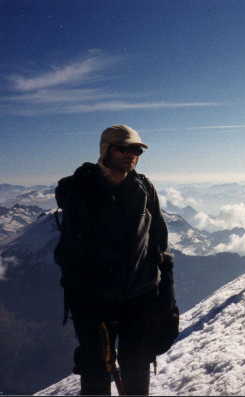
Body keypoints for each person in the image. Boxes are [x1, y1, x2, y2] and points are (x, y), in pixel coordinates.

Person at [54, 125, 171, 395]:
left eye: (137, 150)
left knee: (137, 369)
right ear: (105, 150)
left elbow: (158, 243)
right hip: (93, 300)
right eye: (124, 148)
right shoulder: (79, 188)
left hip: (138, 298)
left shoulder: (143, 188)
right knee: (95, 372)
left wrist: (164, 296)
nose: (131, 154)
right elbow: (70, 248)